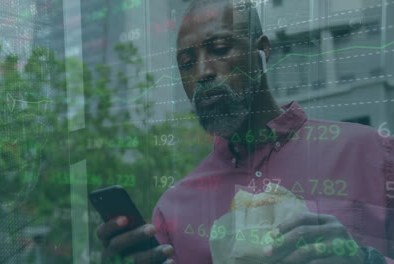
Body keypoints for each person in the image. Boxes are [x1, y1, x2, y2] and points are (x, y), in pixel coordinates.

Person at [96, 0, 394, 263]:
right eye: (186, 64)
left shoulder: (371, 153)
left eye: (220, 49)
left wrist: (363, 259)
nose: (202, 72)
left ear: (262, 49)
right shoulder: (172, 211)